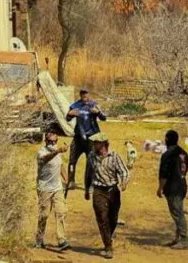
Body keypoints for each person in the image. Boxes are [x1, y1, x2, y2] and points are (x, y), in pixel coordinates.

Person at [86, 132, 129, 260]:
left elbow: (124, 171)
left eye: (96, 143)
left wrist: (124, 182)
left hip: (113, 190)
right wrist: (87, 190)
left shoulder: (114, 156)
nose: (93, 145)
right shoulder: (91, 156)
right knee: (102, 218)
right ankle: (108, 246)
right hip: (98, 190)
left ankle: (108, 236)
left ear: (103, 144)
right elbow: (88, 174)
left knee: (113, 218)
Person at [65, 88, 107, 196]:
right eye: (82, 93)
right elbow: (67, 118)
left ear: (89, 94)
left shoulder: (94, 105)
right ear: (80, 95)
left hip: (91, 138)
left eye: (86, 93)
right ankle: (71, 181)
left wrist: (98, 112)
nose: (84, 95)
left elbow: (104, 118)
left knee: (91, 163)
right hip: (78, 137)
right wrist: (70, 114)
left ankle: (90, 185)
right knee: (72, 160)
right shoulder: (75, 105)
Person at [35, 128, 71, 251]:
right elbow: (45, 159)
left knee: (61, 211)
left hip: (57, 187)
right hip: (44, 188)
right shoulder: (41, 152)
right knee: (44, 214)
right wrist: (58, 151)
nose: (52, 142)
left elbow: (60, 165)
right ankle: (39, 239)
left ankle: (62, 239)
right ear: (45, 140)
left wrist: (66, 178)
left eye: (54, 138)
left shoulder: (57, 152)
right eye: (50, 139)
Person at [157, 129, 188, 249]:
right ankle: (178, 238)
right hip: (182, 185)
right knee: (178, 211)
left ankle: (183, 239)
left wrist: (160, 188)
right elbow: (186, 169)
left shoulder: (168, 155)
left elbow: (164, 174)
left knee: (178, 213)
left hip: (173, 187)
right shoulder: (183, 153)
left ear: (167, 139)